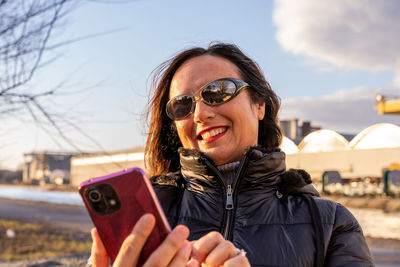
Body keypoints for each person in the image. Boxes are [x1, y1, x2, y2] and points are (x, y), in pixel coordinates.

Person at [89, 43, 373, 266]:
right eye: (182, 105)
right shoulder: (144, 215)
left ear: (259, 105)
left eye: (218, 91)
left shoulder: (331, 225)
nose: (200, 113)